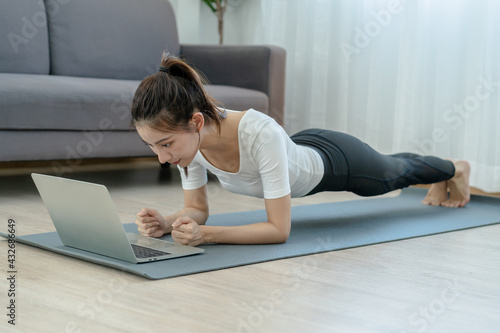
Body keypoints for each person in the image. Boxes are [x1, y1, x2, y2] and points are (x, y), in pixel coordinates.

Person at [131, 53, 471, 247]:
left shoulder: (256, 132)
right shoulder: (186, 143)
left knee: (395, 173)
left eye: (165, 145)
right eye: (153, 147)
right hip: (297, 148)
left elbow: (278, 230)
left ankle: (455, 168)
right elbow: (197, 208)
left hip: (337, 160)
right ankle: (445, 175)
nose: (162, 157)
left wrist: (207, 235)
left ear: (196, 123)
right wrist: (168, 222)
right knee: (398, 170)